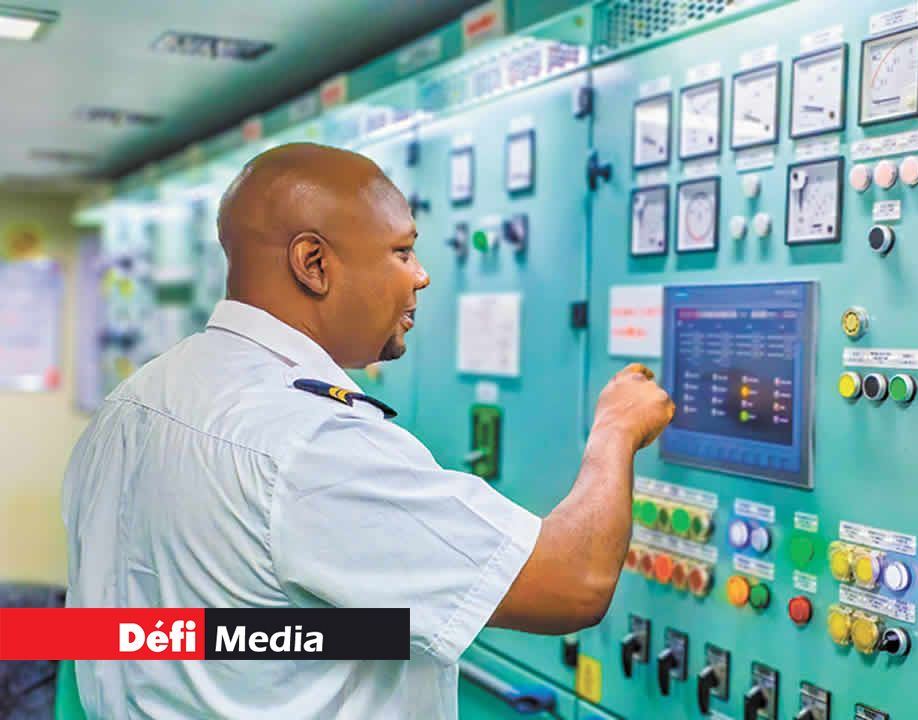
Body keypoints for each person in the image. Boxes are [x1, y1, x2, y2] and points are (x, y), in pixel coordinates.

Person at [61, 143, 674, 719]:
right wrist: (615, 431)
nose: (422, 276)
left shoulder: (131, 405)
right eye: (402, 252)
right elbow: (572, 584)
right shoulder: (310, 443)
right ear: (314, 264)